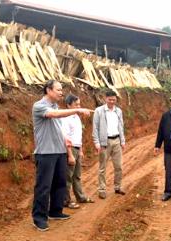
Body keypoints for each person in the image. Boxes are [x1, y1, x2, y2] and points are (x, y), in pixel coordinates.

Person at [32, 80, 91, 231]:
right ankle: (39, 217)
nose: (61, 92)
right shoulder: (39, 106)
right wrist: (77, 110)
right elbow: (53, 115)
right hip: (45, 153)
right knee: (44, 186)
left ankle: (55, 211)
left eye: (61, 90)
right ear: (48, 90)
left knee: (60, 183)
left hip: (60, 152)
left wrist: (66, 143)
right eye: (58, 90)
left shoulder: (55, 106)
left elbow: (59, 128)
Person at [62, 94, 94, 209]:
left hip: (77, 148)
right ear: (68, 105)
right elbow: (66, 138)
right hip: (70, 150)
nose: (79, 106)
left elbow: (78, 136)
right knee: (68, 177)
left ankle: (80, 197)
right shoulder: (65, 118)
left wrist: (80, 150)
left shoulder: (76, 117)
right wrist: (70, 154)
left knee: (77, 176)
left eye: (79, 104)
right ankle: (66, 200)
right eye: (76, 105)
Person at [92, 90, 126, 199]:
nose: (112, 101)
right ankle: (102, 189)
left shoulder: (118, 111)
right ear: (105, 99)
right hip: (104, 142)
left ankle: (117, 187)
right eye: (110, 99)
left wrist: (123, 140)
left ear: (116, 99)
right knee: (102, 167)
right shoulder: (99, 111)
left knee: (119, 166)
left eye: (114, 99)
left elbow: (121, 126)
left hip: (116, 140)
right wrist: (97, 143)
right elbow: (95, 128)